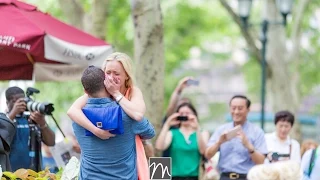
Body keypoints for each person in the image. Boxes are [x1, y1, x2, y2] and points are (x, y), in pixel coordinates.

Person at [67, 52, 154, 179]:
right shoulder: (95, 93)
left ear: (127, 77)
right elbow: (72, 111)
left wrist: (116, 94)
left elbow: (138, 115)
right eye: (108, 73)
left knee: (152, 158)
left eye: (117, 73)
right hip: (121, 153)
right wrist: (96, 130)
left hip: (139, 147)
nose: (111, 78)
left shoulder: (134, 92)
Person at [205, 95, 268, 180]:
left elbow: (260, 161)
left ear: (248, 110)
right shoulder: (222, 130)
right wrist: (219, 142)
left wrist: (248, 145)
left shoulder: (257, 132)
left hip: (247, 177)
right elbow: (208, 155)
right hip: (224, 177)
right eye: (233, 108)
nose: (236, 112)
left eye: (240, 108)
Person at [5, 86, 55, 171]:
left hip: (34, 174)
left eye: (22, 100)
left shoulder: (32, 119)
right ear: (7, 103)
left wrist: (42, 123)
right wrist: (13, 113)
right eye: (15, 101)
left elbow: (51, 142)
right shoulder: (3, 119)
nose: (20, 104)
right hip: (9, 174)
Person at [155, 102, 209, 180]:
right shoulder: (172, 133)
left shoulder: (202, 133)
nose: (184, 115)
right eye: (181, 113)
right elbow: (159, 147)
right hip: (174, 176)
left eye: (187, 113)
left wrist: (197, 128)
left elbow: (203, 151)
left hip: (195, 177)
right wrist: (167, 124)